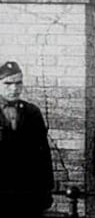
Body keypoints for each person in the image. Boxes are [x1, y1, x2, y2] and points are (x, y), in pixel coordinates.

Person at [0, 61, 54, 217]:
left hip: (28, 194)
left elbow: (43, 155)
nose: (14, 88)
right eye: (7, 83)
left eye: (18, 83)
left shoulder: (32, 112)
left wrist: (46, 190)